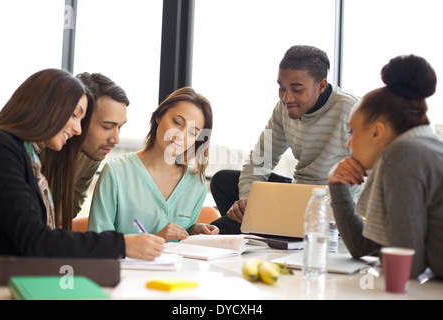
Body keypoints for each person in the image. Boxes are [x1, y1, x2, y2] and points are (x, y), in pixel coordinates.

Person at [0, 68, 164, 266]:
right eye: (74, 116)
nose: (77, 129)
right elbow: (35, 240)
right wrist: (121, 244)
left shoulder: (29, 154)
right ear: (45, 108)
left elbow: (41, 233)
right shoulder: (3, 148)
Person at [211, 45, 361, 234]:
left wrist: (333, 213)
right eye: (282, 88)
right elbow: (260, 161)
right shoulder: (283, 109)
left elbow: (369, 176)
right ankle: (253, 231)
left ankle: (258, 232)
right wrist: (247, 200)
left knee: (219, 230)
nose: (287, 97)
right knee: (223, 181)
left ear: (321, 85)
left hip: (331, 206)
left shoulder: (352, 110)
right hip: (297, 195)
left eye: (297, 90)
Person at [327, 54, 443, 279]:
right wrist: (336, 183)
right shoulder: (425, 146)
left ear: (377, 132)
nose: (348, 142)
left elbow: (407, 267)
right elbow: (363, 247)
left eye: (352, 131)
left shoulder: (403, 155)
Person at [88, 87, 219, 241]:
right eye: (177, 122)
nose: (180, 135)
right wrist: (157, 238)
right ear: (159, 116)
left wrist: (193, 229)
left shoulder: (197, 184)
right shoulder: (116, 172)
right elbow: (97, 245)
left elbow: (182, 239)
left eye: (192, 132)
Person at [72, 72, 129, 217]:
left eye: (120, 127)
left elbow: (72, 204)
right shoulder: (31, 152)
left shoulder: (93, 152)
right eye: (107, 127)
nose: (115, 140)